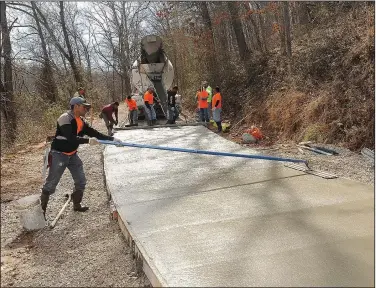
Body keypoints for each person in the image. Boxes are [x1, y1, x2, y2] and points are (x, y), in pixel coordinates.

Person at [40, 96, 121, 217]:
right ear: (76, 106)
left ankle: (77, 205)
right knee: (51, 184)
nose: (86, 109)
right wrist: (88, 141)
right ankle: (41, 214)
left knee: (81, 181)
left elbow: (94, 133)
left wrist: (113, 139)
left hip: (72, 155)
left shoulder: (81, 121)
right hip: (59, 154)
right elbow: (70, 138)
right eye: (84, 107)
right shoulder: (65, 118)